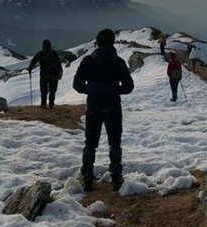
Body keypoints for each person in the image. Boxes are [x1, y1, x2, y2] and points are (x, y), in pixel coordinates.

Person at [73, 29, 134, 191]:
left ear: (97, 43)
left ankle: (86, 178)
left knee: (90, 144)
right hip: (113, 106)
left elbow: (77, 85)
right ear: (113, 42)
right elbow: (129, 87)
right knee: (115, 143)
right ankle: (116, 178)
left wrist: (92, 90)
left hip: (93, 107)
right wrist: (114, 90)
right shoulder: (119, 62)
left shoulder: (87, 61)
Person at [28, 39, 63, 109]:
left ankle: (43, 104)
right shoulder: (54, 53)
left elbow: (34, 60)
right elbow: (59, 63)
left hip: (44, 75)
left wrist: (30, 68)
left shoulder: (41, 53)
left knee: (44, 90)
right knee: (52, 90)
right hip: (53, 75)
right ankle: (51, 104)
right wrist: (59, 72)